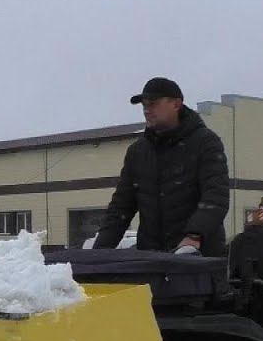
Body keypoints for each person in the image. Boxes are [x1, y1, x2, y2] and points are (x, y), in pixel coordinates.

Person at [93, 77, 230, 256]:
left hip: (199, 259)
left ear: (176, 104)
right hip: (152, 259)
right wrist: (98, 253)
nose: (147, 110)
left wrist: (194, 236)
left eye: (153, 104)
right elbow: (121, 208)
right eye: (144, 106)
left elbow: (216, 197)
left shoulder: (205, 143)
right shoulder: (137, 152)